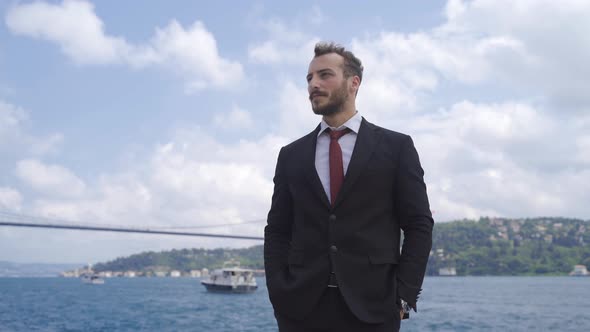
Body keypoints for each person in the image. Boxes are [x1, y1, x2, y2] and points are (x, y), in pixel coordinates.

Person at [264, 41, 433, 332]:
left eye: (324, 75)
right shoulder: (290, 155)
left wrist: (404, 296)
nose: (313, 84)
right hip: (300, 311)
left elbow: (419, 224)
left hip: (374, 309)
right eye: (309, 78)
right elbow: (278, 230)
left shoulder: (396, 147)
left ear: (353, 83)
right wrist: (279, 293)